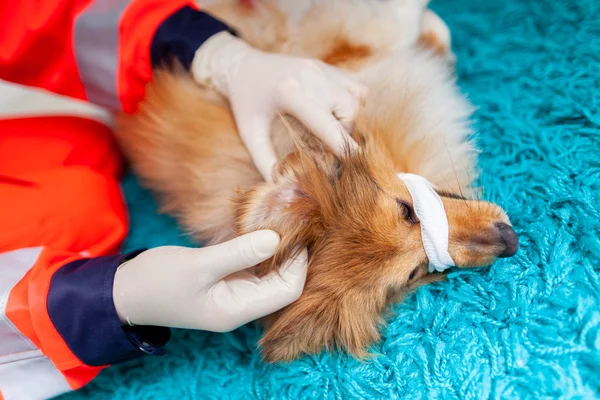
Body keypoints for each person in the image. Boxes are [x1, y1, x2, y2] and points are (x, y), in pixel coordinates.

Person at [0, 1, 364, 399]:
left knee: (72, 172)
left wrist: (208, 50)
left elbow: (34, 16)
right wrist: (100, 301)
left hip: (40, 132)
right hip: (48, 174)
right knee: (71, 211)